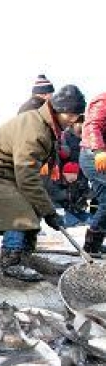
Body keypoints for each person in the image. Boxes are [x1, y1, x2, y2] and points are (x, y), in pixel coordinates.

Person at [0, 85, 86, 281]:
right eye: (73, 115)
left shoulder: (46, 124)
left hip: (4, 172)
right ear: (62, 111)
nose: (75, 120)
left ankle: (24, 257)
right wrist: (49, 211)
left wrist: (44, 208)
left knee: (33, 206)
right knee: (20, 209)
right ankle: (11, 261)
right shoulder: (35, 129)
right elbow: (27, 177)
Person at [80, 91, 106, 252]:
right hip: (94, 155)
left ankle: (92, 246)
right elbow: (92, 125)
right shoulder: (103, 100)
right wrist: (99, 150)